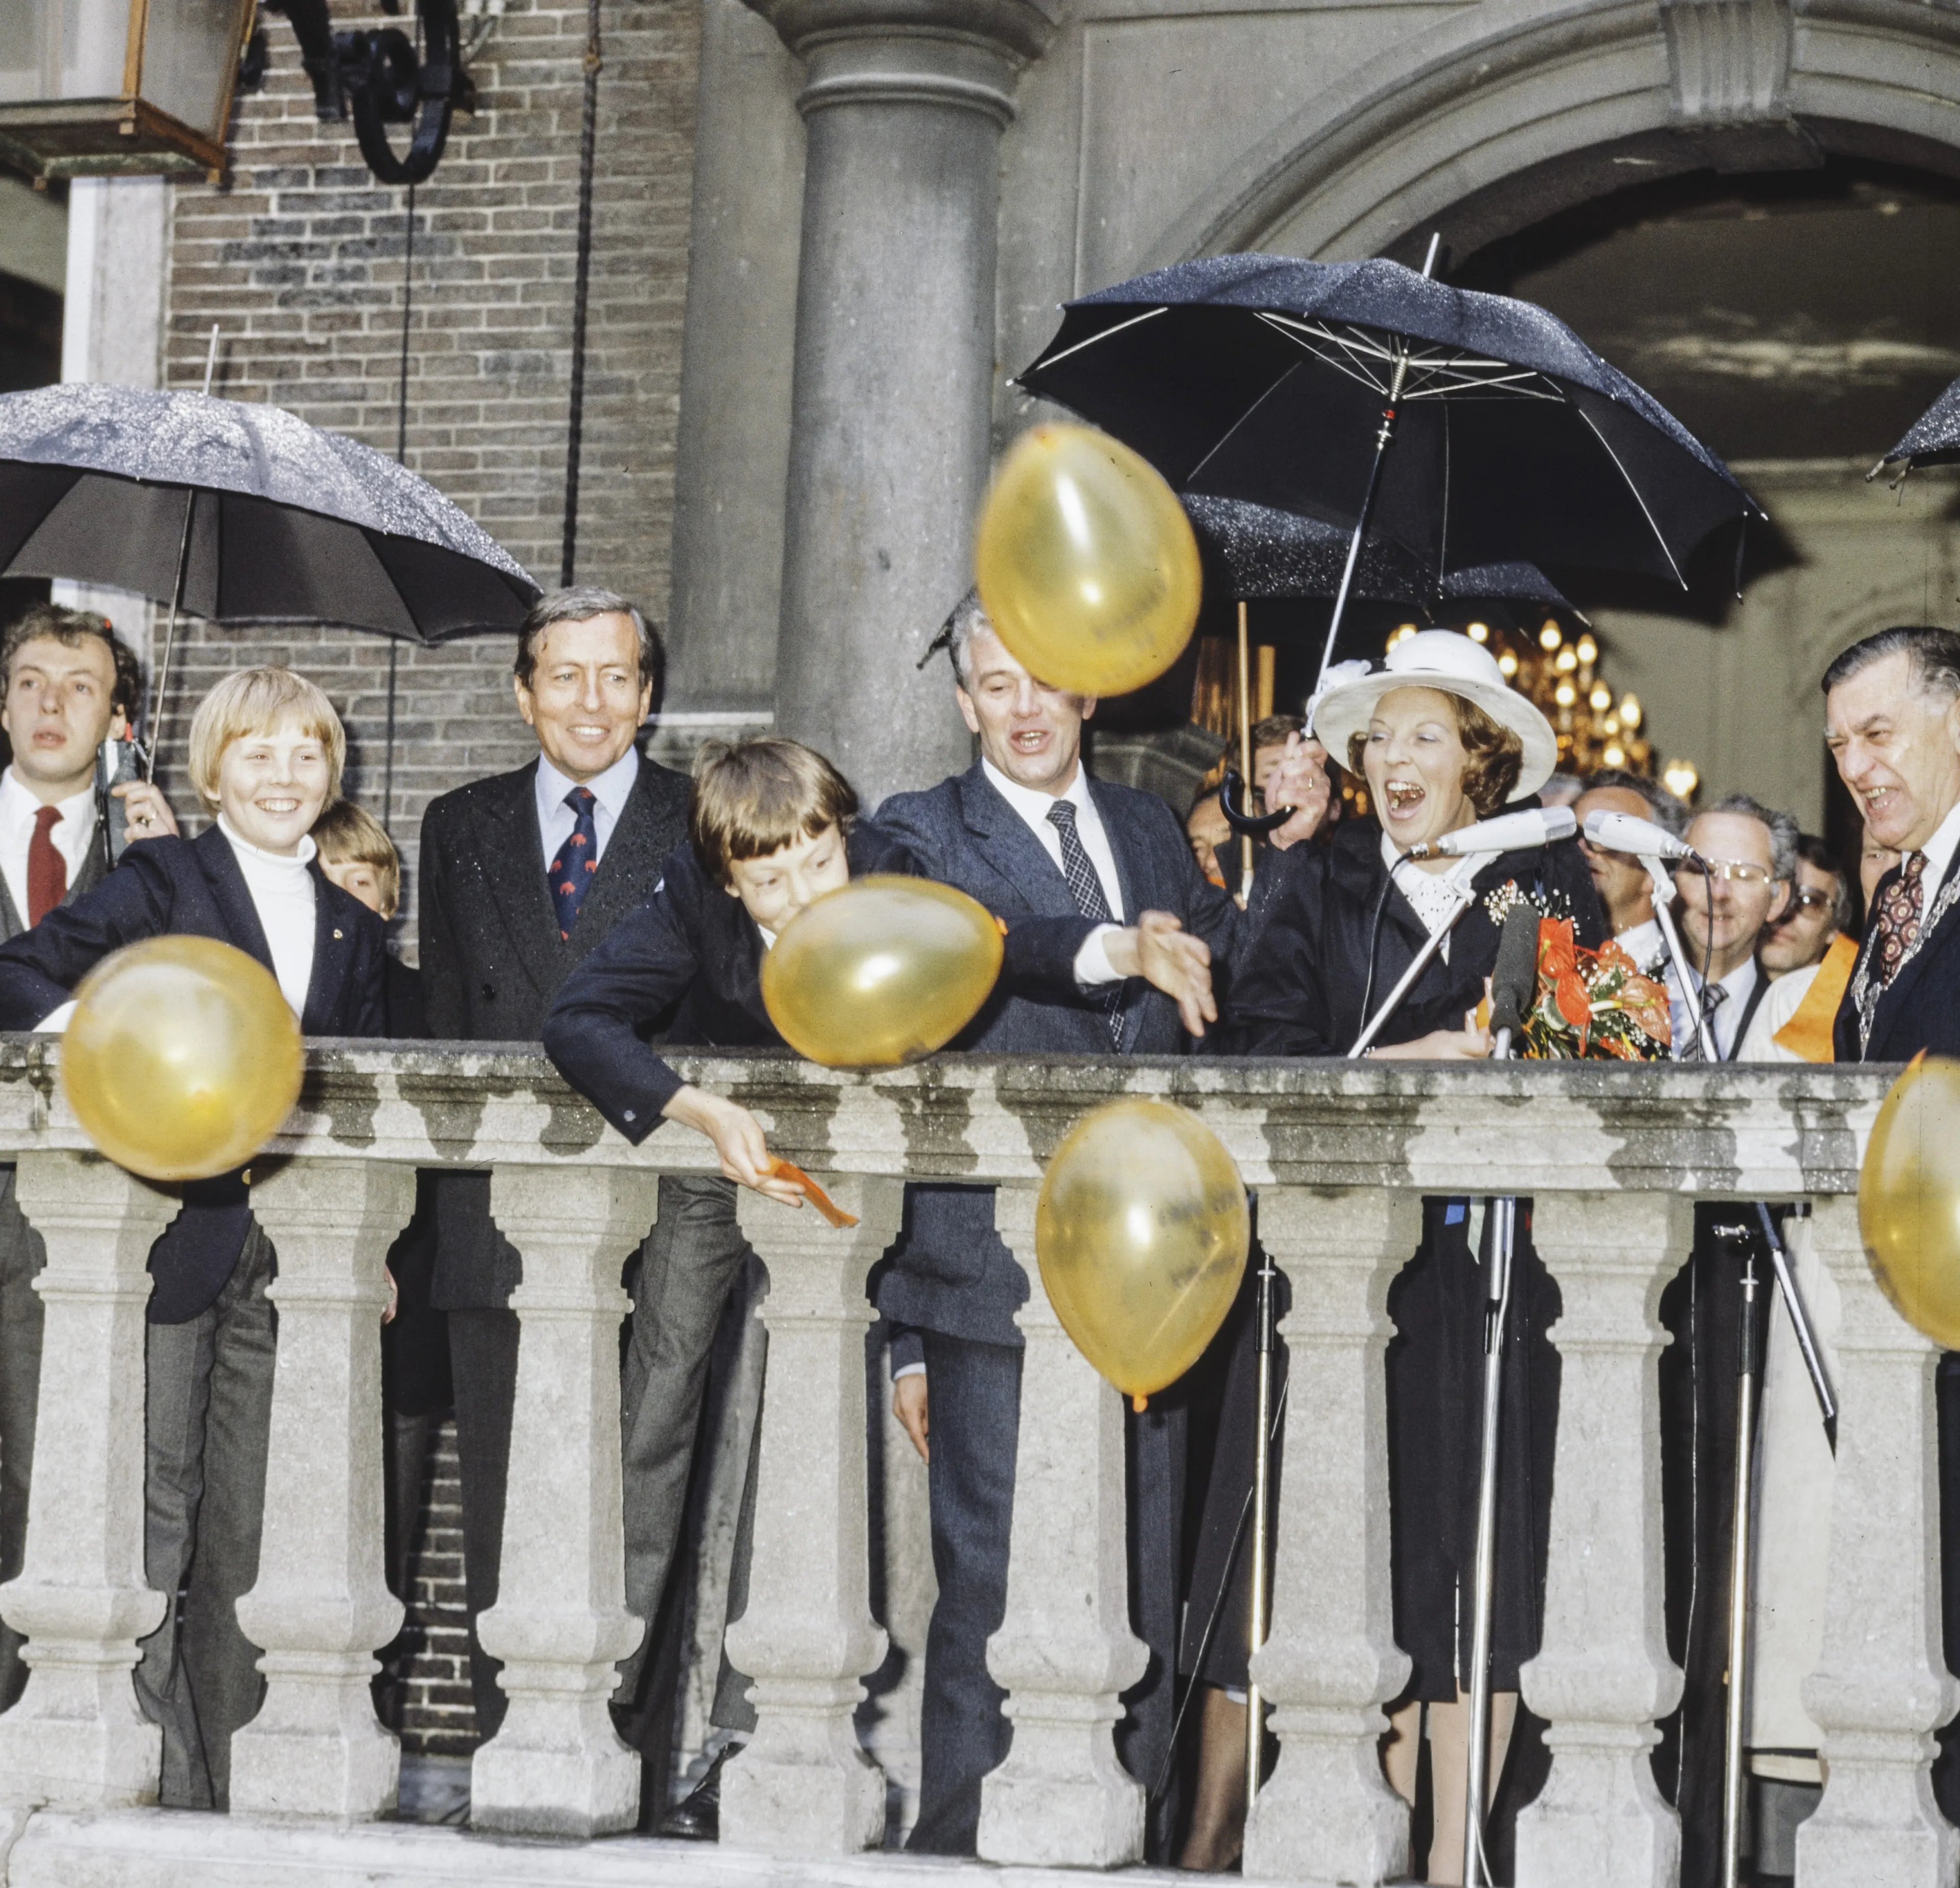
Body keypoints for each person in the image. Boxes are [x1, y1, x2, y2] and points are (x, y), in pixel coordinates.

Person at [1229, 628, 1604, 1885]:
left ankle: (1455, 1856)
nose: (1396, 757)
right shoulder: (1318, 878)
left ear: (1478, 759)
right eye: (1378, 736)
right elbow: (1258, 1051)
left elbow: (1594, 1050)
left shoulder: (1540, 874)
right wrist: (1395, 1064)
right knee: (1377, 1561)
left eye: (1426, 735)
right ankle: (1373, 1841)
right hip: (1356, 1275)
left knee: (1481, 1562)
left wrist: (1534, 1050)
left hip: (1499, 1273)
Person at [872, 590, 1235, 1859]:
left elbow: (1223, 997)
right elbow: (961, 949)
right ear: (964, 701)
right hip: (982, 1273)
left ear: (1088, 689)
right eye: (994, 687)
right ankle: (964, 1844)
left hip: (1153, 1273)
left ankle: (1114, 1842)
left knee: (1135, 1578)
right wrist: (899, 1336)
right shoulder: (917, 830)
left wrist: (1278, 861)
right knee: (990, 1586)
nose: (1023, 710)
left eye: (1044, 683)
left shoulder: (1145, 824)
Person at [0, 666, 387, 1807]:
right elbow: (19, 976)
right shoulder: (163, 876)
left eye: (306, 754)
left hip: (294, 1260)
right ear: (214, 768)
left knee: (262, 1528)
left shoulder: (353, 924)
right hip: (169, 1241)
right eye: (257, 753)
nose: (283, 775)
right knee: (155, 1507)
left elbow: (361, 1098)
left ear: (334, 773)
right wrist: (120, 1020)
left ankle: (232, 1781)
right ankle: (154, 1777)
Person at [416, 586, 691, 1773]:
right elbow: (439, 1035)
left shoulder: (698, 821)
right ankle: (500, 1766)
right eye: (565, 676)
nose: (591, 701)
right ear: (523, 693)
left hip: (657, 1217)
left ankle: (623, 1768)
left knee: (642, 1507)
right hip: (494, 1223)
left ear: (647, 695)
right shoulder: (459, 823)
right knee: (502, 1509)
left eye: (616, 676)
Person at [0, 603, 177, 1715]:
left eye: (81, 684)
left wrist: (173, 876)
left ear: (119, 719)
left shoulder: (157, 854)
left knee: (55, 1480)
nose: (52, 703)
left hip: (87, 1217)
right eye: (30, 680)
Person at [1818, 624, 1960, 1831]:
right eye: (1837, 746)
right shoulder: (1896, 892)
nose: (1855, 766)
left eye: (1878, 733)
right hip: (1896, 1321)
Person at [309, 799, 449, 1674]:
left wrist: (386, 1255)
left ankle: (377, 1698)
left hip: (406, 1277)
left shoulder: (424, 999)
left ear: (390, 899)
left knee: (387, 1515)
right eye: (331, 883)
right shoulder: (278, 989)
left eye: (365, 883)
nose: (350, 901)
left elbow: (433, 1150)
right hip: (292, 1276)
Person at [1664, 795, 1796, 1062]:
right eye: (1701, 870)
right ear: (1670, 882)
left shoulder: (1793, 1018)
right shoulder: (1620, 996)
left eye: (1744, 876)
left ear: (1777, 899)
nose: (1719, 894)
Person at [1737, 835, 1858, 1064]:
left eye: (1811, 901)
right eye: (1778, 895)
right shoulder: (1723, 993)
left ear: (1835, 928)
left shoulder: (1848, 1008)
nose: (1787, 913)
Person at [1571, 767, 1688, 975]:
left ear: (1654, 871)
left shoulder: (1681, 981)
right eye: (1572, 835)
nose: (1580, 849)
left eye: (1603, 836)